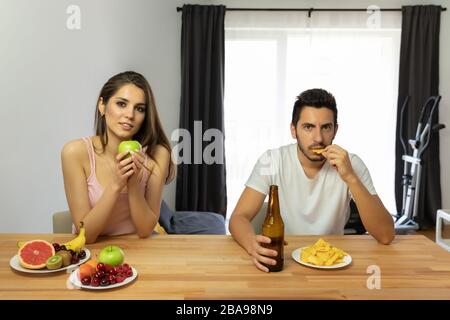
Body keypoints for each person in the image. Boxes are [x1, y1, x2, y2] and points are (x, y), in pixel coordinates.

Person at [229, 88, 395, 272]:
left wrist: (350, 178)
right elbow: (238, 218)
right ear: (294, 130)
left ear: (335, 130)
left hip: (331, 263)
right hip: (285, 258)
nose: (318, 138)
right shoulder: (272, 160)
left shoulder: (352, 164)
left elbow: (386, 235)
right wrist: (252, 245)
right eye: (308, 127)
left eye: (326, 127)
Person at [61, 71, 175, 243]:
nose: (130, 114)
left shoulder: (157, 154)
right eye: (122, 104)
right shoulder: (75, 152)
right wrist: (116, 184)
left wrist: (133, 183)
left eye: (139, 108)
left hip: (141, 248)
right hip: (94, 251)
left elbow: (145, 230)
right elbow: (86, 236)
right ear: (102, 105)